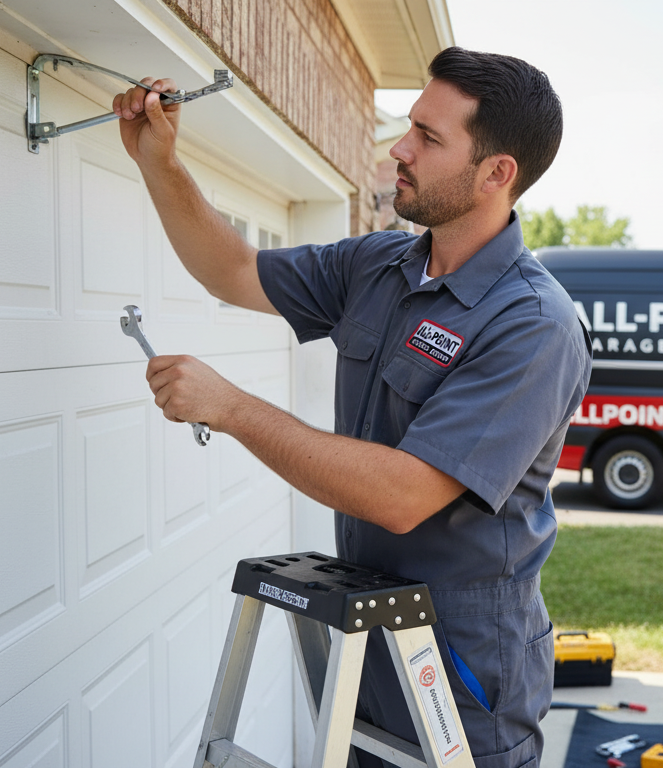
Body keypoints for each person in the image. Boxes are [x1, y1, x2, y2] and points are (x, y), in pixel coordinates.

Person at [112, 47, 589, 767]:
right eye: (410, 126)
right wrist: (161, 164)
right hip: (368, 627)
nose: (400, 148)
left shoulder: (532, 324)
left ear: (497, 173)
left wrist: (233, 408)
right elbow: (236, 271)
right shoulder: (379, 266)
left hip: (459, 667)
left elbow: (402, 495)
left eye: (429, 137)